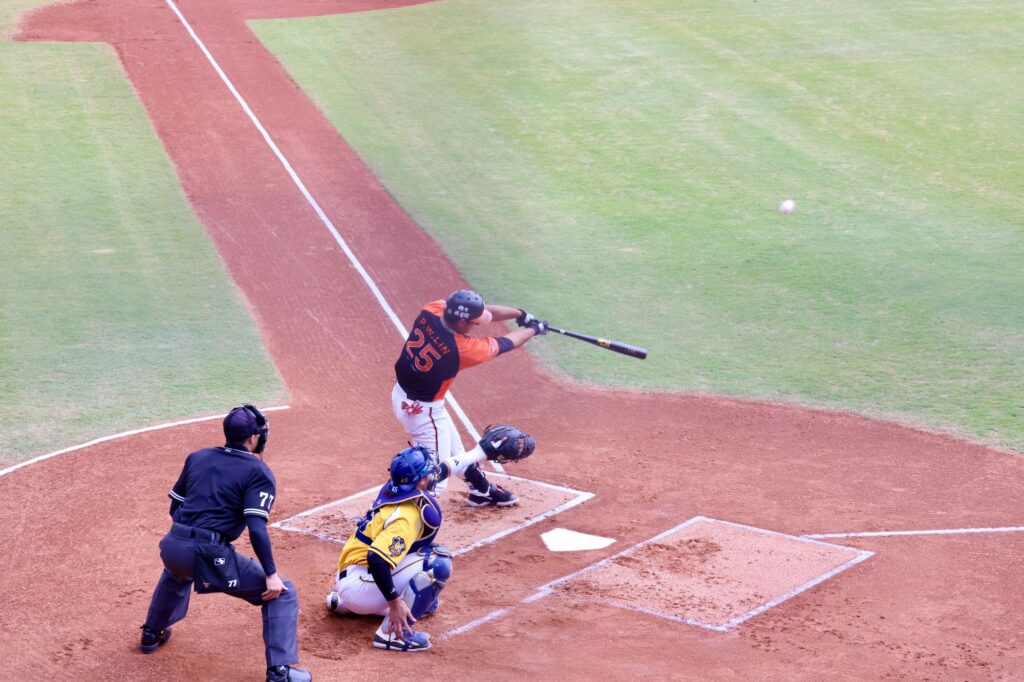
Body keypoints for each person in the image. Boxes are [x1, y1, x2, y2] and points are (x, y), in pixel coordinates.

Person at [139, 405, 311, 682]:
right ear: (253, 437)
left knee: (177, 571)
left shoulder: (198, 457)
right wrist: (271, 574)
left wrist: (189, 538)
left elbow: (175, 507)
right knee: (283, 593)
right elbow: (256, 528)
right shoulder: (258, 472)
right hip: (208, 552)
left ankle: (151, 632)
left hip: (172, 543)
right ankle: (280, 671)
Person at [393, 289, 547, 507]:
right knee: (434, 481)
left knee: (454, 450)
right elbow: (508, 342)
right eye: (474, 323)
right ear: (461, 322)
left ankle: (480, 489)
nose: (476, 325)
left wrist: (520, 314)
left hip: (403, 394)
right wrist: (534, 329)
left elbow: (486, 313)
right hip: (423, 413)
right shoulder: (461, 350)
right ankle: (403, 524)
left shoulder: (433, 309)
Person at [324, 445, 452, 652]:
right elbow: (376, 559)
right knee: (437, 562)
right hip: (360, 585)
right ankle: (392, 635)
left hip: (352, 575)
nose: (432, 475)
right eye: (428, 472)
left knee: (425, 594)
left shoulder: (394, 490)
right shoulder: (407, 515)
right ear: (421, 481)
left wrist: (477, 455)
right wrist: (394, 602)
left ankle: (348, 603)